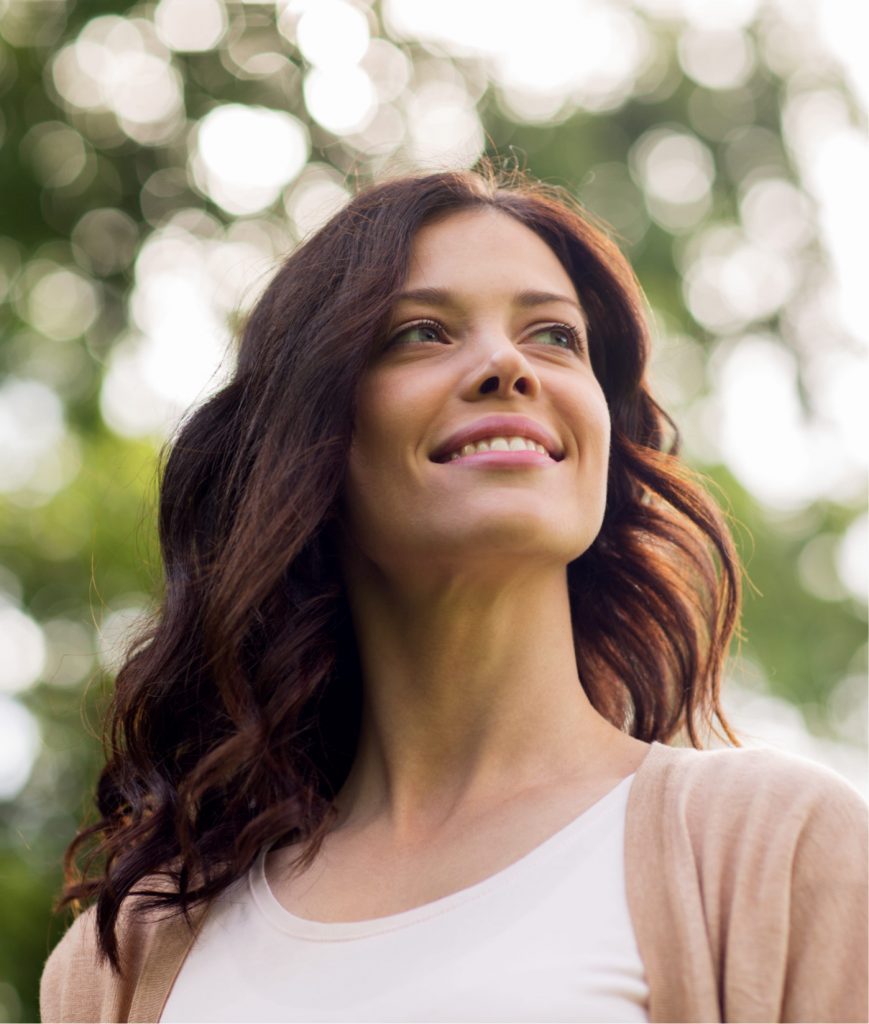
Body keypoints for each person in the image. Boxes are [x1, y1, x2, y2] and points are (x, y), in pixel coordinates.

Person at [40, 167, 867, 1023]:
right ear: (313, 435)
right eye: (422, 333)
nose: (507, 365)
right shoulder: (132, 955)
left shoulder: (776, 847)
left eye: (553, 335)